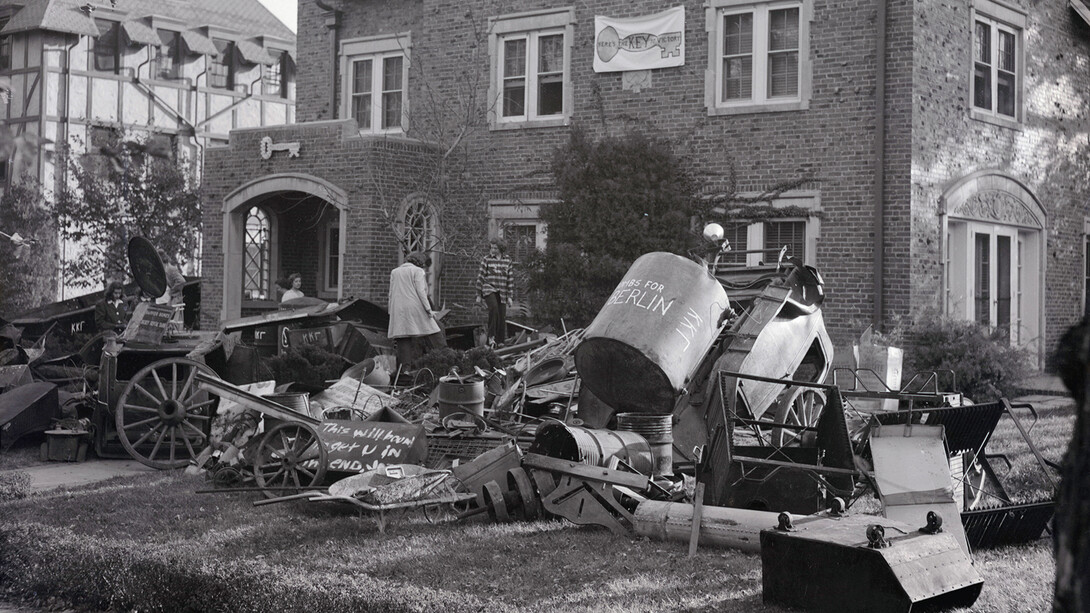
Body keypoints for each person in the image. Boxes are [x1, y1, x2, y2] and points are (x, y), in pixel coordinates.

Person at [388, 252, 443, 369]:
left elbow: (391, 293)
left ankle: (405, 370)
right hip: (414, 306)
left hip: (398, 309)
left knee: (403, 337)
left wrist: (390, 312)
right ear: (420, 262)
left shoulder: (395, 272)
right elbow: (421, 292)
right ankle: (444, 358)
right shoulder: (418, 271)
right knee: (433, 330)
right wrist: (429, 310)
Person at [475, 240, 515, 346]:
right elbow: (480, 277)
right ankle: (491, 338)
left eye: (495, 248)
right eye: (491, 248)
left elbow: (510, 279)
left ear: (500, 249)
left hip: (502, 291)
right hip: (489, 288)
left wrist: (510, 297)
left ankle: (500, 341)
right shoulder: (486, 259)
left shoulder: (508, 260)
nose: (492, 250)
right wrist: (478, 295)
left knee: (502, 315)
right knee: (494, 309)